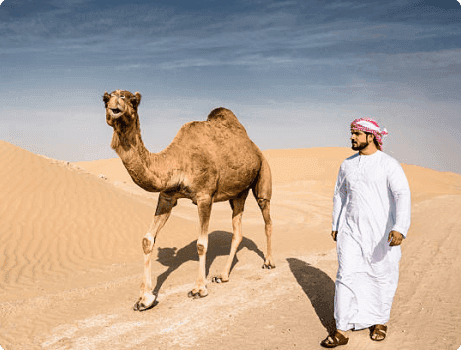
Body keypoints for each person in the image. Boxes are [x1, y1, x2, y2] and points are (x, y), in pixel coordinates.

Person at [321, 118, 411, 348]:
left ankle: (379, 321)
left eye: (356, 134)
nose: (352, 137)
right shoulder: (347, 165)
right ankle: (342, 328)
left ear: (371, 136)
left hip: (381, 232)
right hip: (350, 230)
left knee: (381, 274)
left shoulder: (389, 164)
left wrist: (400, 227)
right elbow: (340, 195)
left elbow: (402, 195)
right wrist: (336, 224)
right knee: (345, 275)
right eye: (352, 133)